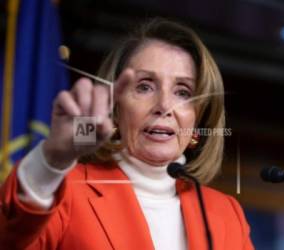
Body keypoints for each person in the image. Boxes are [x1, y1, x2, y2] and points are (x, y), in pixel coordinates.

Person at [0, 18, 254, 250]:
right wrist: (52, 159)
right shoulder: (66, 192)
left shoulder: (226, 213)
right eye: (144, 87)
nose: (164, 106)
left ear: (198, 117)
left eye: (183, 92)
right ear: (115, 108)